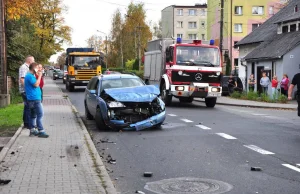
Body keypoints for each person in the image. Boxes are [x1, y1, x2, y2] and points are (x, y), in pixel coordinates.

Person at [25, 62, 49, 138]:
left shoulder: (30, 75)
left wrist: (38, 76)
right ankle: (41, 131)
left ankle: (32, 131)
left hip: (32, 98)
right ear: (34, 68)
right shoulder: (30, 76)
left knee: (33, 115)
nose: (39, 69)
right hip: (34, 99)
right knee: (40, 114)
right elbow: (36, 84)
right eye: (37, 68)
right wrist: (39, 76)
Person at [19, 56, 35, 129]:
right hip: (25, 90)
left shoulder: (27, 68)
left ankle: (26, 123)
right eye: (33, 60)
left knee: (27, 107)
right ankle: (28, 124)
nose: (34, 62)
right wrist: (28, 88)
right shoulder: (24, 67)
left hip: (26, 90)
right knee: (29, 107)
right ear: (29, 61)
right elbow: (22, 79)